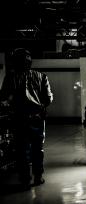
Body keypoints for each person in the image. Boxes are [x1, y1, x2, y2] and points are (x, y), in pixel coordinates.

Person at [0, 48, 53, 188]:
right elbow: (48, 99)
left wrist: (10, 103)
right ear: (30, 62)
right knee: (38, 148)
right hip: (36, 118)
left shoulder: (10, 77)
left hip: (19, 118)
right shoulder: (41, 76)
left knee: (21, 149)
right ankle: (38, 177)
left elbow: (3, 98)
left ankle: (25, 179)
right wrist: (40, 106)